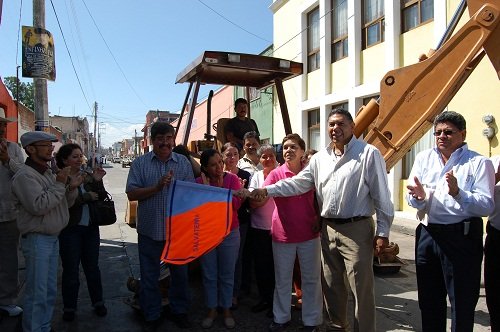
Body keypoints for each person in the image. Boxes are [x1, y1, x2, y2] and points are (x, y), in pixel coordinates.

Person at [249, 109, 394, 332]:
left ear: (352, 127)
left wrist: (383, 233)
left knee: (360, 290)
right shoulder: (319, 159)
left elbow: (382, 195)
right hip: (328, 229)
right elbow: (297, 184)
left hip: (357, 228)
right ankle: (338, 327)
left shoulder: (368, 154)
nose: (335, 129)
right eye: (331, 124)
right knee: (332, 285)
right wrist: (266, 190)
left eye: (341, 124)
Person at [406, 111, 495, 331]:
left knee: (462, 303)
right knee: (429, 301)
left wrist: (458, 193)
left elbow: (486, 206)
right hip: (428, 235)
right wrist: (418, 197)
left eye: (448, 132)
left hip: (461, 238)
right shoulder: (423, 158)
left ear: (462, 134)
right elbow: (412, 195)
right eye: (438, 133)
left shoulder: (478, 163)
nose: (441, 136)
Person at [126, 122, 195, 332]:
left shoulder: (183, 162)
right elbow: (132, 194)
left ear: (173, 139)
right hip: (150, 230)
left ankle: (179, 311)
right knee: (149, 276)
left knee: (180, 276)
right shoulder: (140, 164)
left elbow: (191, 193)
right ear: (152, 141)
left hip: (177, 233)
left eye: (168, 138)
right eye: (160, 138)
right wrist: (156, 187)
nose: (164, 142)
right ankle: (152, 314)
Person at [12, 131, 81, 332]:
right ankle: (34, 328)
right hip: (37, 239)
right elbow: (39, 206)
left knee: (49, 290)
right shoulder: (25, 176)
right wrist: (61, 183)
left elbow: (62, 204)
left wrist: (70, 188)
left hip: (51, 238)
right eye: (45, 145)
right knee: (37, 291)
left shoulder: (48, 173)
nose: (51, 148)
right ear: (30, 149)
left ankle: (43, 326)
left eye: (51, 145)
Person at [258, 133, 323, 332]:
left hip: (309, 234)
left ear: (302, 152)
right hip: (283, 235)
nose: (288, 150)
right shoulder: (276, 174)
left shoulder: (312, 172)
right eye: (285, 147)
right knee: (283, 279)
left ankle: (311, 321)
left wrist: (319, 220)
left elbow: (321, 198)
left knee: (311, 279)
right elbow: (261, 195)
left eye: (293, 147)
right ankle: (281, 318)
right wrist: (247, 194)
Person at [55, 143, 108, 322]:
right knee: (71, 271)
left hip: (90, 229)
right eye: (74, 156)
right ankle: (69, 307)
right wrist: (84, 197)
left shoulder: (86, 175)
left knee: (92, 268)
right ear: (64, 160)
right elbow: (62, 202)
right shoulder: (60, 178)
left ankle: (98, 302)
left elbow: (100, 196)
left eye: (80, 156)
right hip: (70, 230)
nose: (79, 160)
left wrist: (98, 181)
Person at [196, 149, 242, 329]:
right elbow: (198, 209)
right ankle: (211, 309)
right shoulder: (198, 182)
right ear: (205, 168)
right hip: (206, 234)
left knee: (227, 273)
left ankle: (227, 309)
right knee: (209, 274)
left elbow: (236, 205)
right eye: (213, 165)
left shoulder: (231, 179)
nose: (218, 168)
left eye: (220, 163)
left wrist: (222, 189)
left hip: (230, 232)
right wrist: (208, 190)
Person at [248, 144, 278, 317]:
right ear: (259, 160)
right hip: (259, 227)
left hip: (278, 228)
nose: (268, 159)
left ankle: (276, 303)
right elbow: (253, 202)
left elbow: (258, 199)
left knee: (277, 268)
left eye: (271, 156)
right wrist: (269, 192)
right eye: (264, 157)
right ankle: (264, 299)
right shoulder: (256, 176)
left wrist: (262, 195)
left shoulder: (281, 173)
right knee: (261, 267)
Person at [0, 108, 25, 317]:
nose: (1, 129)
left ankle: (7, 300)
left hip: (9, 214)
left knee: (9, 259)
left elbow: (24, 175)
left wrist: (7, 159)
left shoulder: (13, 149)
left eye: (3, 125)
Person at [221, 142, 251, 309]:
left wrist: (243, 192)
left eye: (235, 154)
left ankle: (234, 293)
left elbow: (249, 201)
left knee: (237, 259)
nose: (232, 158)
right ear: (222, 156)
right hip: (218, 222)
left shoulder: (246, 174)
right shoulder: (216, 174)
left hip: (240, 222)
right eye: (228, 154)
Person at [485, 155, 500, 331]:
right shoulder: (492, 162)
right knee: (495, 294)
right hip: (497, 237)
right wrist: (496, 176)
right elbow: (480, 197)